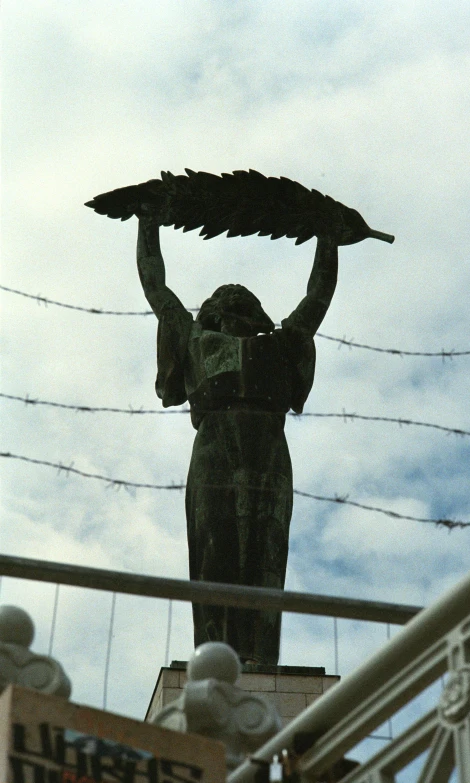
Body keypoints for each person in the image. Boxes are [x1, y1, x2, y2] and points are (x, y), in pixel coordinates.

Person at [136, 213, 339, 663]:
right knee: (215, 549)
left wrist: (329, 237)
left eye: (241, 307)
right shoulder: (194, 339)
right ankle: (214, 657)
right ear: (211, 314)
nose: (232, 314)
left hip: (268, 448)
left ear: (255, 316)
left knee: (266, 553)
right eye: (225, 308)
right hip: (214, 448)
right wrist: (147, 223)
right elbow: (157, 290)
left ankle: (262, 656)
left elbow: (318, 297)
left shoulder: (281, 343)